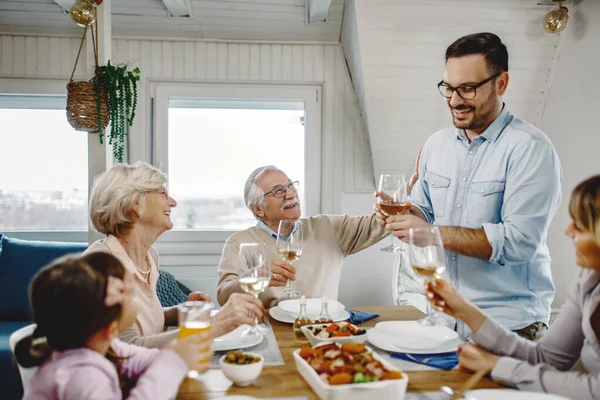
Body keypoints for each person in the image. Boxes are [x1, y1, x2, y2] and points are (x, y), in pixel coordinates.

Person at [382, 32, 562, 340]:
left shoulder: (530, 148)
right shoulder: (435, 145)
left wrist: (432, 234)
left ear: (500, 83)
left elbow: (519, 242)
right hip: (442, 321)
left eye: (467, 89)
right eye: (448, 88)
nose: (454, 101)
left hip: (508, 327)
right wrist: (405, 213)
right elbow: (423, 210)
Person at [426, 175, 600, 400]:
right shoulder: (588, 279)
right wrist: (465, 311)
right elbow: (546, 358)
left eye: (580, 225)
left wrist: (498, 366)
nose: (568, 231)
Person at [85, 162, 263, 348]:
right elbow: (128, 349)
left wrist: (181, 311)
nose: (172, 202)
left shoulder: (149, 257)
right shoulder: (100, 266)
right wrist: (215, 326)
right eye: (163, 193)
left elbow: (141, 323)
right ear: (136, 204)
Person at [15, 252, 212, 400]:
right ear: (111, 329)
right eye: (130, 293)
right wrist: (173, 361)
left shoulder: (106, 346)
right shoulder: (81, 376)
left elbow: (148, 360)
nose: (133, 292)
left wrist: (174, 357)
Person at [216, 165, 390, 308]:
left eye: (290, 186)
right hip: (271, 333)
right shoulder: (238, 243)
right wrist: (253, 276)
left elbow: (380, 223)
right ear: (258, 208)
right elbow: (223, 295)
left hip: (323, 330)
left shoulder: (327, 227)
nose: (291, 194)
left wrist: (400, 203)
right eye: (278, 191)